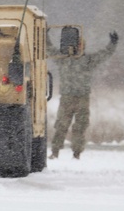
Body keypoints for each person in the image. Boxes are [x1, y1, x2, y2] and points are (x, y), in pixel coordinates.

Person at [50, 31, 118, 159]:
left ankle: (76, 153)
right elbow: (49, 50)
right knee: (61, 126)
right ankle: (55, 152)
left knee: (80, 126)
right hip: (67, 98)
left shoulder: (88, 60)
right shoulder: (63, 60)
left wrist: (112, 44)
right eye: (77, 44)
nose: (78, 47)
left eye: (81, 45)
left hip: (82, 98)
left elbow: (104, 54)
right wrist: (45, 36)